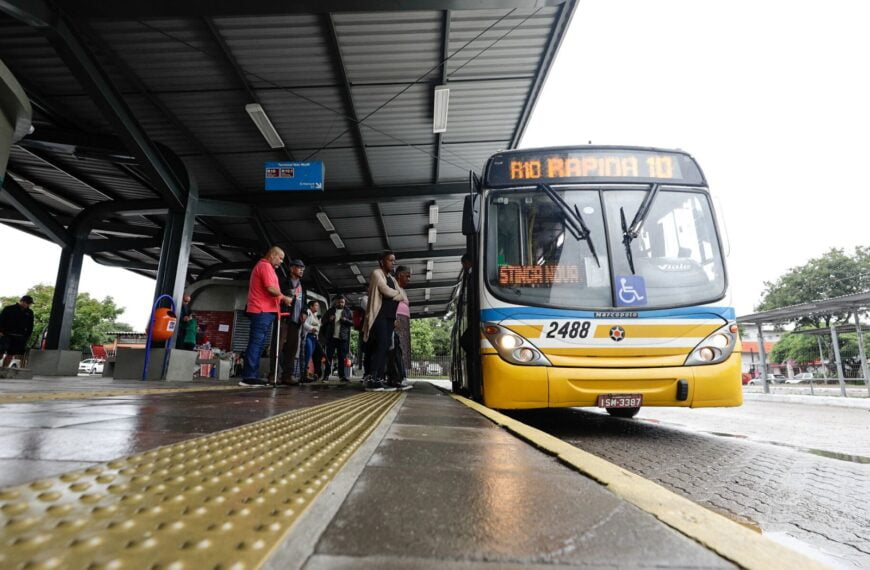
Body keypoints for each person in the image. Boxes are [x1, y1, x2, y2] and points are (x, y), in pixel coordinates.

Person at [240, 246, 294, 387]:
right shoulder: (265, 267)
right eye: (280, 258)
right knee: (256, 342)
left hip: (264, 310)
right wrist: (284, 298)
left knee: (258, 342)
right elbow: (270, 288)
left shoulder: (265, 267)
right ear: (273, 255)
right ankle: (249, 376)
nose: (281, 262)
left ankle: (252, 375)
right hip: (261, 310)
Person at [362, 251, 407, 392]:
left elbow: (403, 295)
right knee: (381, 345)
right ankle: (372, 378)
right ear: (382, 261)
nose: (393, 263)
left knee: (386, 346)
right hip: (379, 315)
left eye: (394, 260)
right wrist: (396, 294)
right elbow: (385, 291)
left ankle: (379, 379)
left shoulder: (392, 279)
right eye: (390, 260)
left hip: (389, 317)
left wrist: (397, 294)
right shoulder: (376, 274)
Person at [277, 259, 307, 385]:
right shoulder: (283, 282)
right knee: (278, 347)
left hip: (295, 322)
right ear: (291, 268)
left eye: (303, 268)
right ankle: (273, 374)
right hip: (284, 318)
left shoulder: (302, 286)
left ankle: (287, 376)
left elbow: (304, 303)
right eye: (299, 267)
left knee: (292, 349)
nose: (301, 270)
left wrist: (304, 312)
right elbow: (277, 296)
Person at [389, 266, 413, 390]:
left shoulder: (403, 289)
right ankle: (397, 377)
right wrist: (393, 319)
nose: (409, 279)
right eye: (407, 275)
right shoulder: (392, 285)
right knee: (396, 348)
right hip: (397, 319)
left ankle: (399, 377)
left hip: (404, 321)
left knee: (402, 349)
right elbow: (388, 302)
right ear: (399, 275)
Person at [321, 295, 353, 382]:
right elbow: (323, 321)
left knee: (341, 358)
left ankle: (342, 376)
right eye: (339, 302)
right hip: (331, 338)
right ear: (336, 302)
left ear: (344, 302)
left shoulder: (348, 311)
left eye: (342, 302)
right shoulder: (330, 311)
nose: (341, 303)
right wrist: (329, 320)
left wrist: (346, 320)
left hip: (342, 338)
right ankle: (326, 375)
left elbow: (352, 322)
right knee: (329, 357)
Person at [0, 295, 34, 368]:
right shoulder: (9, 309)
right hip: (6, 334)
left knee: (11, 354)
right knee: (0, 352)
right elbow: (1, 321)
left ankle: (4, 371)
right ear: (22, 301)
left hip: (19, 337)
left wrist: (27, 336)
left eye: (30, 304)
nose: (29, 305)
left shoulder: (29, 312)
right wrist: (1, 332)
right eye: (28, 303)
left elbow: (30, 326)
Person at [301, 300, 322, 382]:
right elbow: (304, 323)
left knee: (310, 355)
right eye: (316, 305)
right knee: (307, 354)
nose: (317, 307)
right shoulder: (308, 312)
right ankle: (304, 374)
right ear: (311, 306)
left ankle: (307, 373)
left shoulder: (315, 315)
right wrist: (311, 328)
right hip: (308, 336)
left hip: (314, 337)